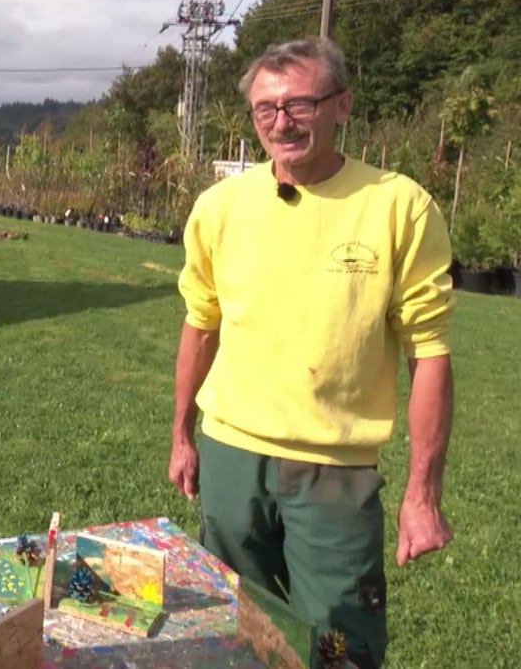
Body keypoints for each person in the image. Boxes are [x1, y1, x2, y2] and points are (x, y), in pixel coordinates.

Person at [169, 37, 455, 668]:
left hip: (333, 469)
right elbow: (201, 325)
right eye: (265, 109)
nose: (281, 122)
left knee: (339, 643)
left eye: (299, 104)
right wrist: (183, 435)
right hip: (231, 456)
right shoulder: (220, 207)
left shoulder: (398, 207)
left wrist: (422, 494)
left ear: (342, 105)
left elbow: (429, 353)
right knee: (231, 629)